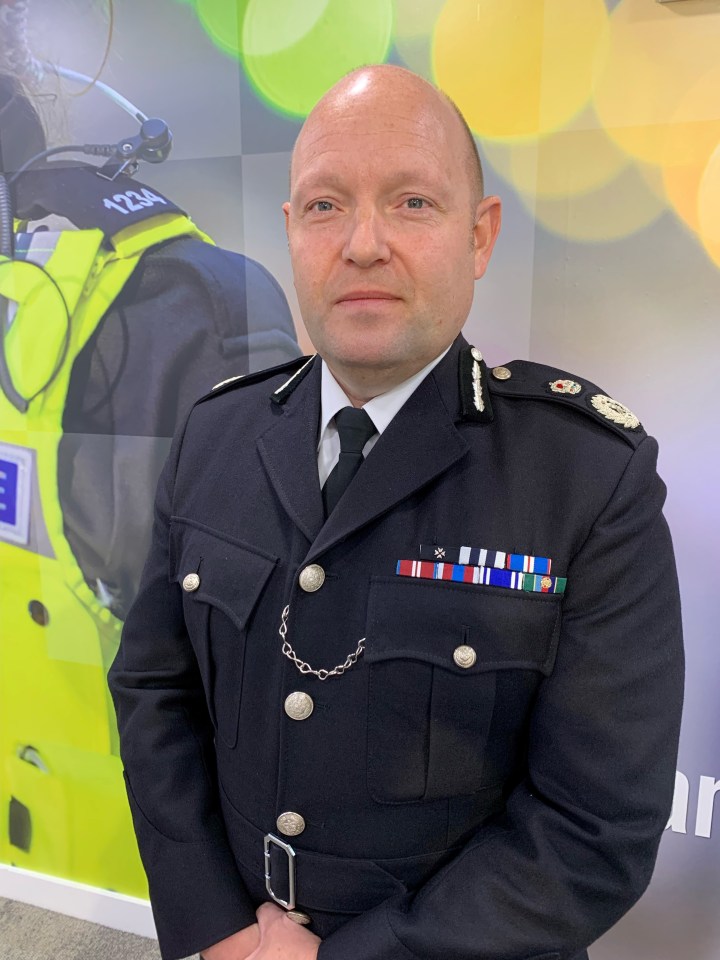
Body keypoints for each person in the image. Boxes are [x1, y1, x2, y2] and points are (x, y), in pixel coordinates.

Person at [108, 65, 684, 960]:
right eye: (326, 206)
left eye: (412, 202)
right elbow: (155, 693)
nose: (363, 244)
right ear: (293, 231)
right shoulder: (215, 434)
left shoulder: (584, 478)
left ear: (479, 235)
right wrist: (214, 925)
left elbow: (594, 827)